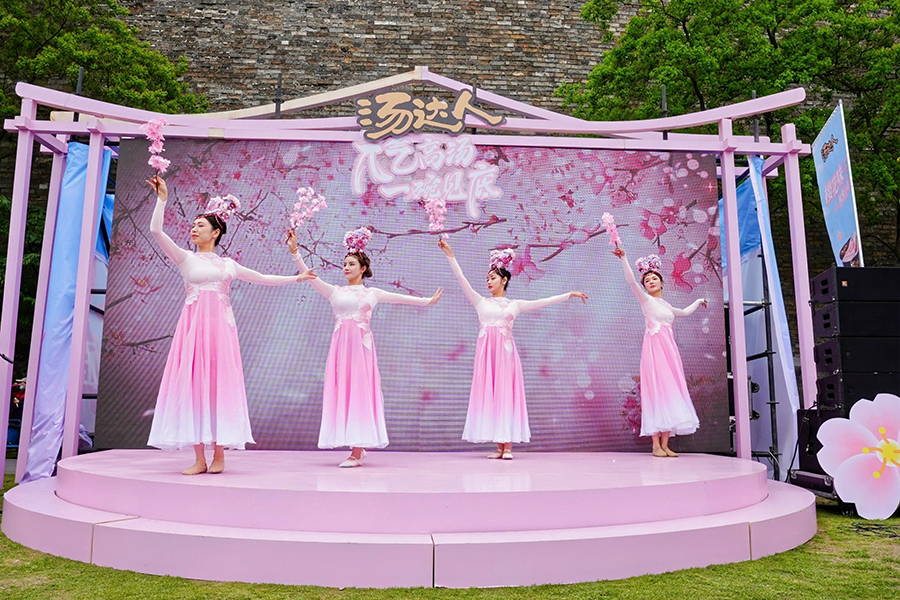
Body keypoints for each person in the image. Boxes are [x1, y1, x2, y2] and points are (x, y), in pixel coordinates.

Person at [146, 175, 316, 475]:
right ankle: (199, 458)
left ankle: (220, 454)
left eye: (200, 225)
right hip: (193, 332)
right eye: (193, 224)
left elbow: (262, 278)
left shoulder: (228, 264)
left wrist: (297, 278)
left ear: (216, 232)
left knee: (219, 387)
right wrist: (162, 200)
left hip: (221, 334)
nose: (194, 228)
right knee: (194, 387)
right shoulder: (185, 258)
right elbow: (156, 231)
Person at [287, 227, 442, 467]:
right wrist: (295, 252)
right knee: (343, 393)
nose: (346, 268)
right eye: (344, 264)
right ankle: (356, 446)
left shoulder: (372, 293)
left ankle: (357, 451)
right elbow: (309, 276)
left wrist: (427, 301)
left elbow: (401, 298)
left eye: (351, 264)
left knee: (359, 394)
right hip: (340, 351)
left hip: (362, 352)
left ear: (363, 268)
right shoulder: (334, 291)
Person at [438, 239, 587, 459]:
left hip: (506, 357)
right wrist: (450, 255)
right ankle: (499, 447)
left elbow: (544, 301)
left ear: (504, 279)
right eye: (487, 279)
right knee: (491, 396)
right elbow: (461, 279)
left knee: (505, 395)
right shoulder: (480, 302)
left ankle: (508, 446)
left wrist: (570, 294)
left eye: (493, 278)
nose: (489, 282)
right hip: (487, 358)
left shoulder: (514, 305)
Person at [612, 245, 706, 457]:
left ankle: (665, 444)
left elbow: (684, 312)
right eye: (647, 280)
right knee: (656, 392)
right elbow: (631, 281)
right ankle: (655, 445)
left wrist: (699, 301)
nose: (651, 282)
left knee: (670, 393)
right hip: (654, 353)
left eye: (654, 278)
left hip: (670, 354)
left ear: (662, 282)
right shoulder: (646, 301)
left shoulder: (667, 306)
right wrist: (624, 258)